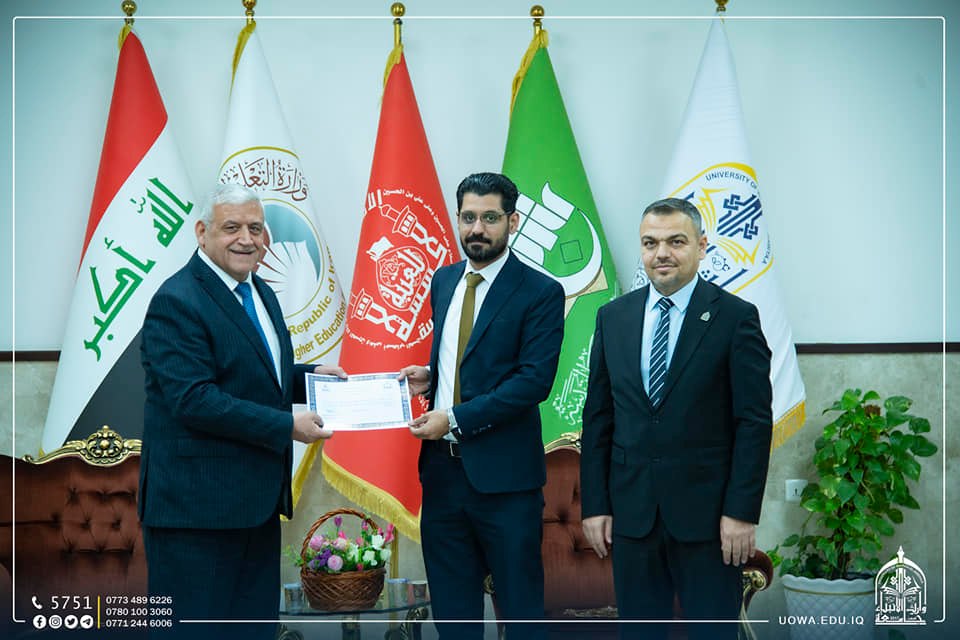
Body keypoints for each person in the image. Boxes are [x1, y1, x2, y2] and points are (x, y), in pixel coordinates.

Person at [138, 183, 344, 639]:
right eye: (231, 227)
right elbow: (194, 399)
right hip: (196, 516)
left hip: (255, 508)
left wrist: (311, 378)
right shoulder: (177, 300)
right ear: (202, 232)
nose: (246, 239)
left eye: (255, 228)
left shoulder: (260, 291)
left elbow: (253, 375)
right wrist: (286, 425)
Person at [580, 197, 773, 640]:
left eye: (676, 241)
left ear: (701, 246)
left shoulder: (735, 318)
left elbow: (753, 423)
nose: (661, 253)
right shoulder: (613, 317)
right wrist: (596, 506)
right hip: (633, 519)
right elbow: (599, 419)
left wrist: (741, 513)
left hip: (709, 523)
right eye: (650, 243)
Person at [398, 172, 564, 640]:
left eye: (490, 218)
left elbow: (532, 382)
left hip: (506, 483)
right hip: (442, 476)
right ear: (457, 218)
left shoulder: (540, 291)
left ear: (512, 221)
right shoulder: (445, 280)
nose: (477, 229)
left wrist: (453, 418)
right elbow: (466, 359)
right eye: (468, 217)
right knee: (453, 616)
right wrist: (430, 376)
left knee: (521, 613)